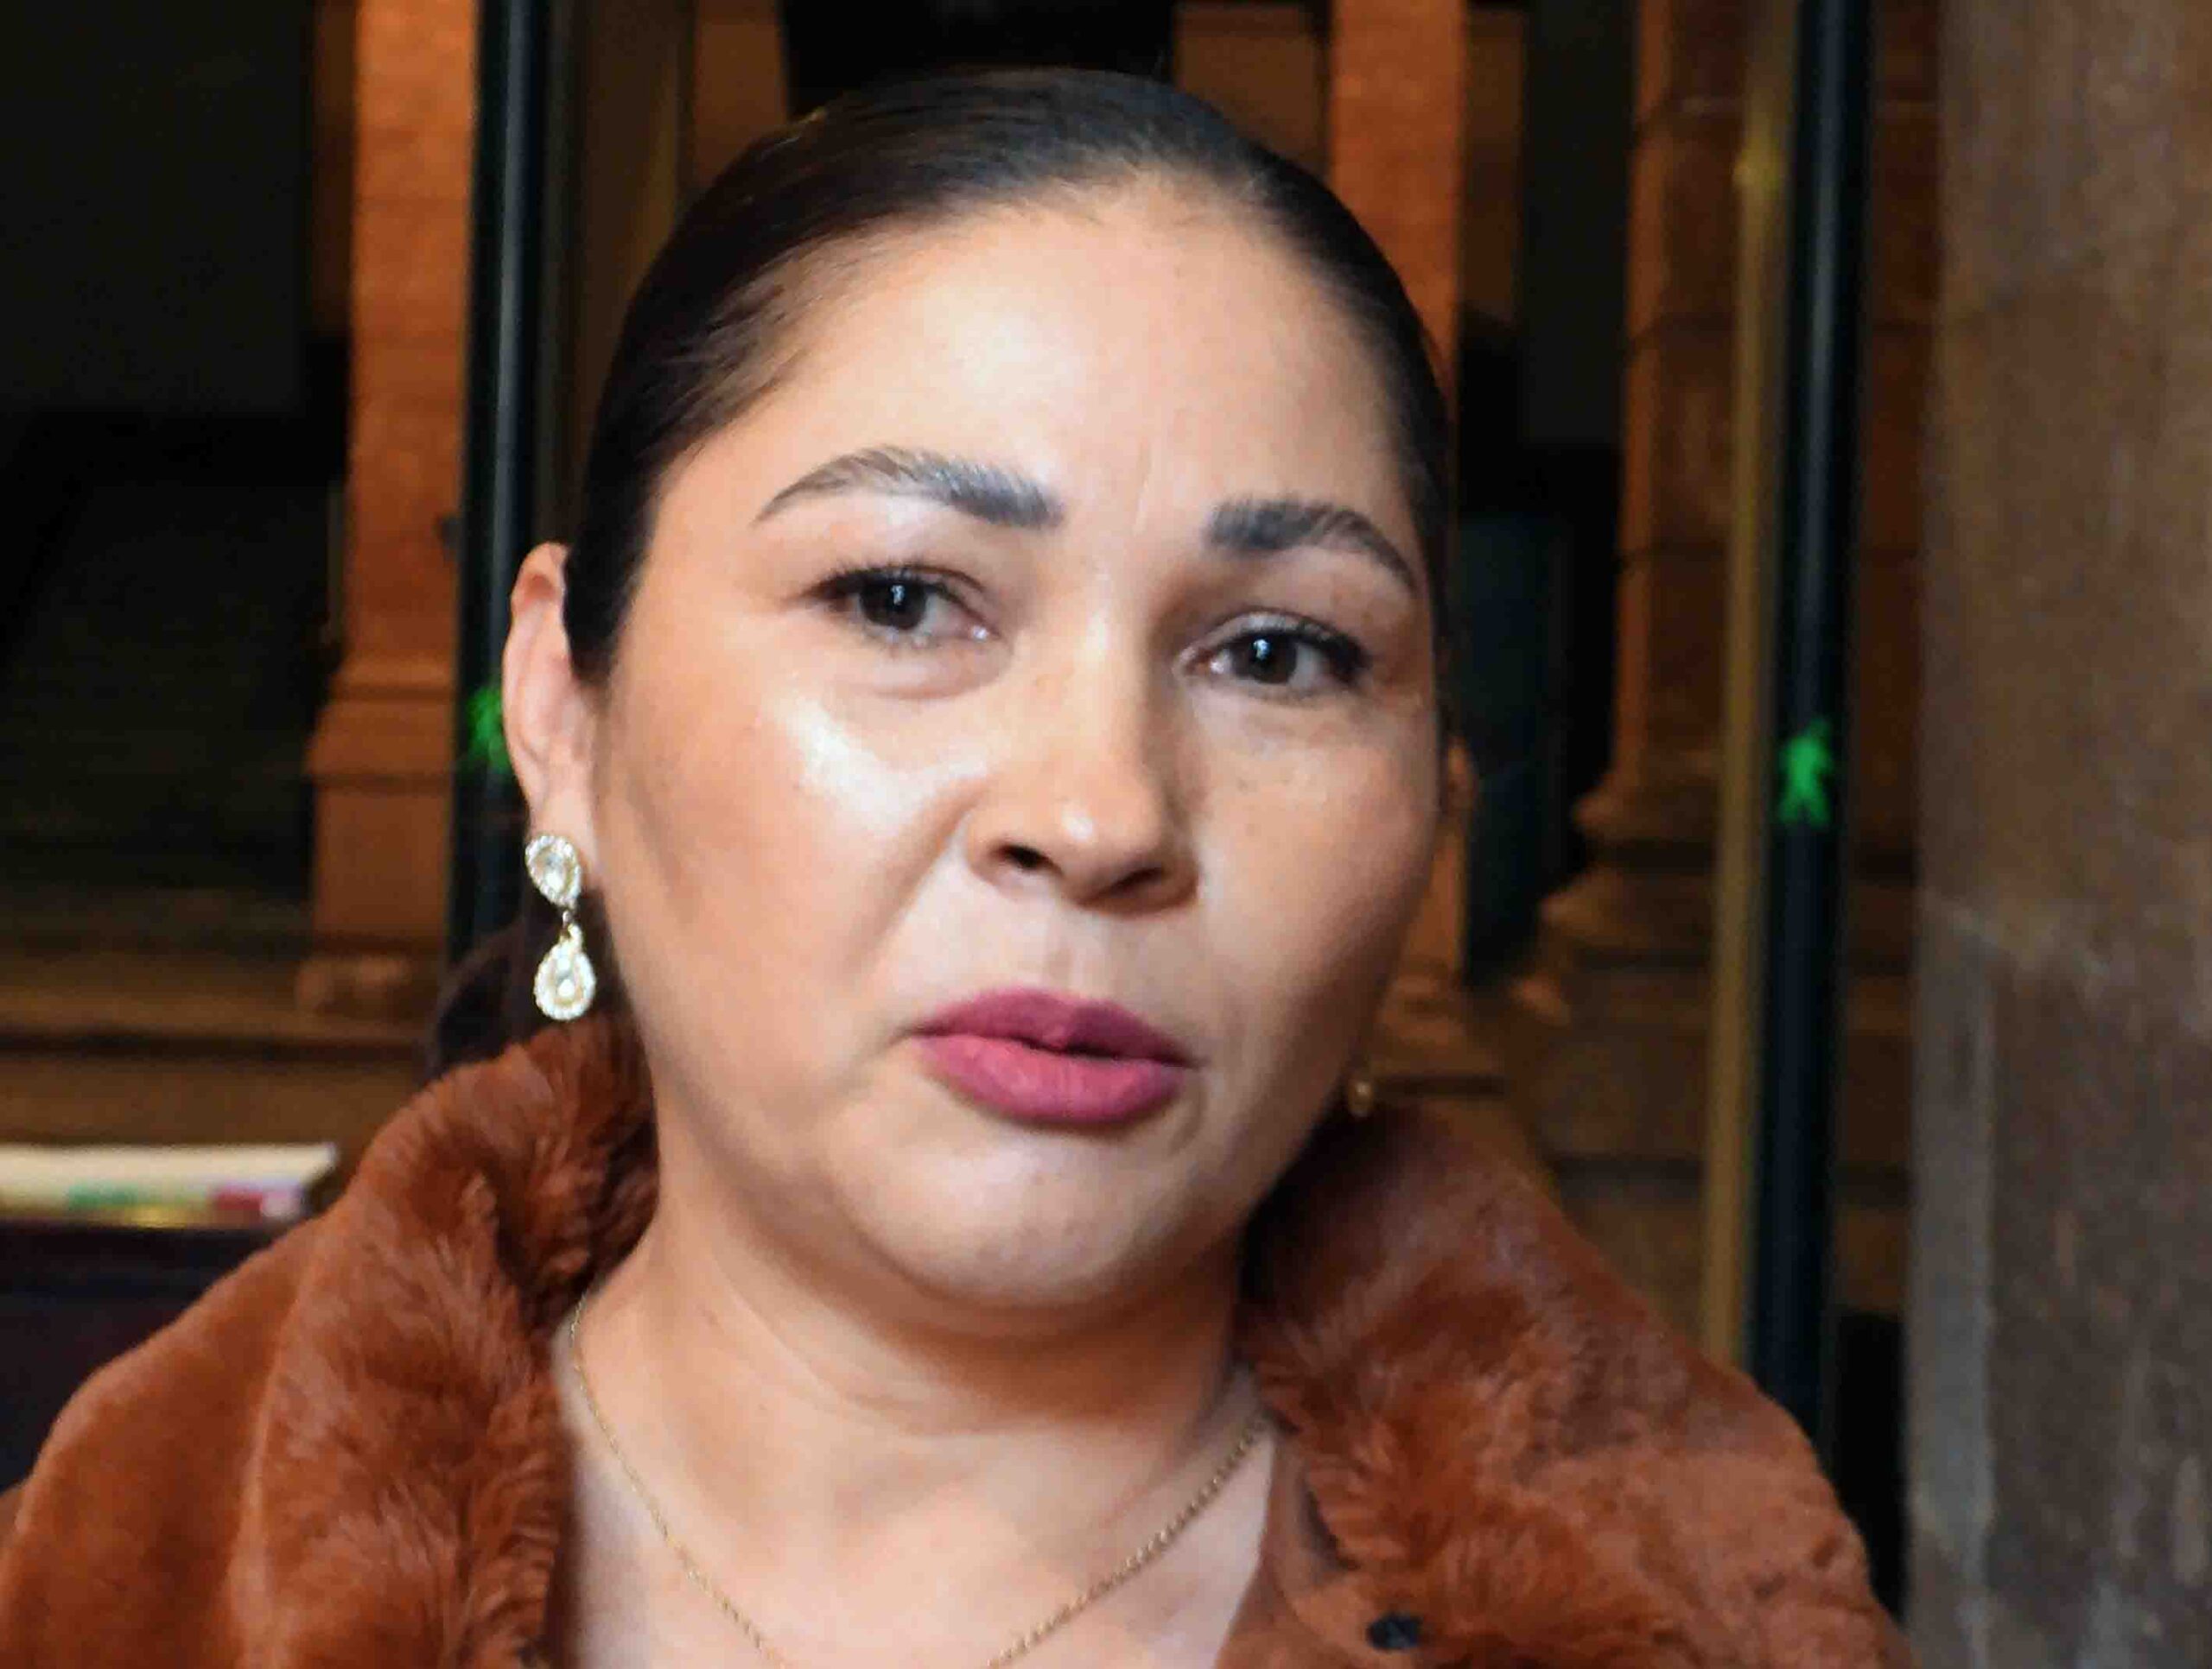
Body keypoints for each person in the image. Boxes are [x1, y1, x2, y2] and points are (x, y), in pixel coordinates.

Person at [0, 71, 1904, 1667]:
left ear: (1434, 800)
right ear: (562, 712)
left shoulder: (1710, 1608)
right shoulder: (125, 1577)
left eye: (1276, 652)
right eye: (904, 599)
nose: (1102, 814)